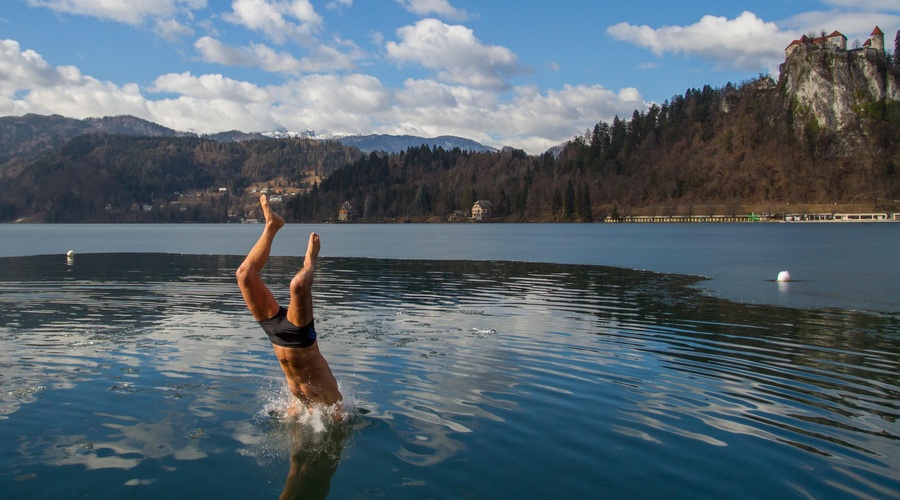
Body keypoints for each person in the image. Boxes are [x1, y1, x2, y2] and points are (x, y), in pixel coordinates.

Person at [236, 195, 343, 420]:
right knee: (293, 283)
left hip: (280, 336)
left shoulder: (330, 409)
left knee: (247, 276)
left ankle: (304, 258)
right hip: (298, 337)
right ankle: (274, 228)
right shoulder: (329, 406)